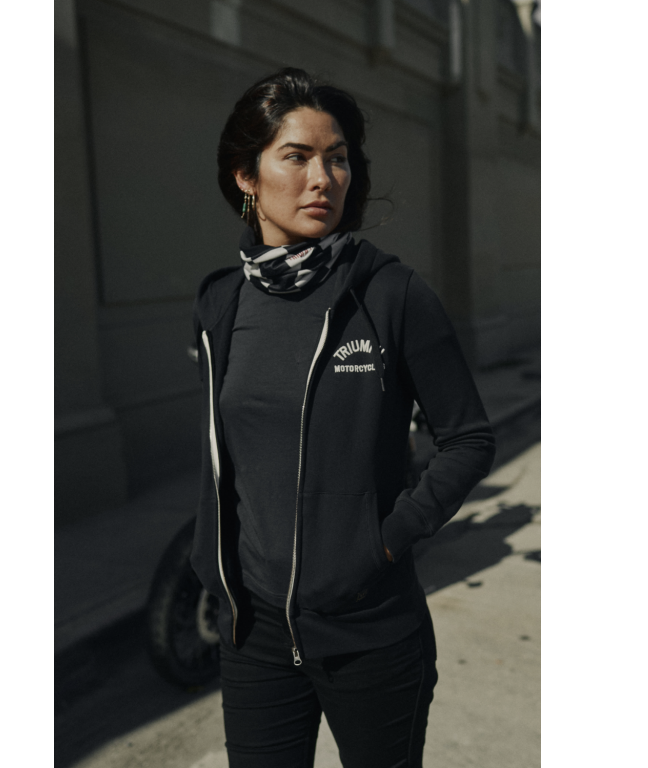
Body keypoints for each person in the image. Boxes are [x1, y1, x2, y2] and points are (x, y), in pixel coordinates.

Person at [190, 67, 495, 768]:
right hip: (254, 633)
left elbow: (468, 439)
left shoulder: (391, 295)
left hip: (370, 632)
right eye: (296, 157)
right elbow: (227, 452)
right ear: (246, 176)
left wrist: (382, 545)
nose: (322, 178)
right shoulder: (219, 304)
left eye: (337, 158)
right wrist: (213, 563)